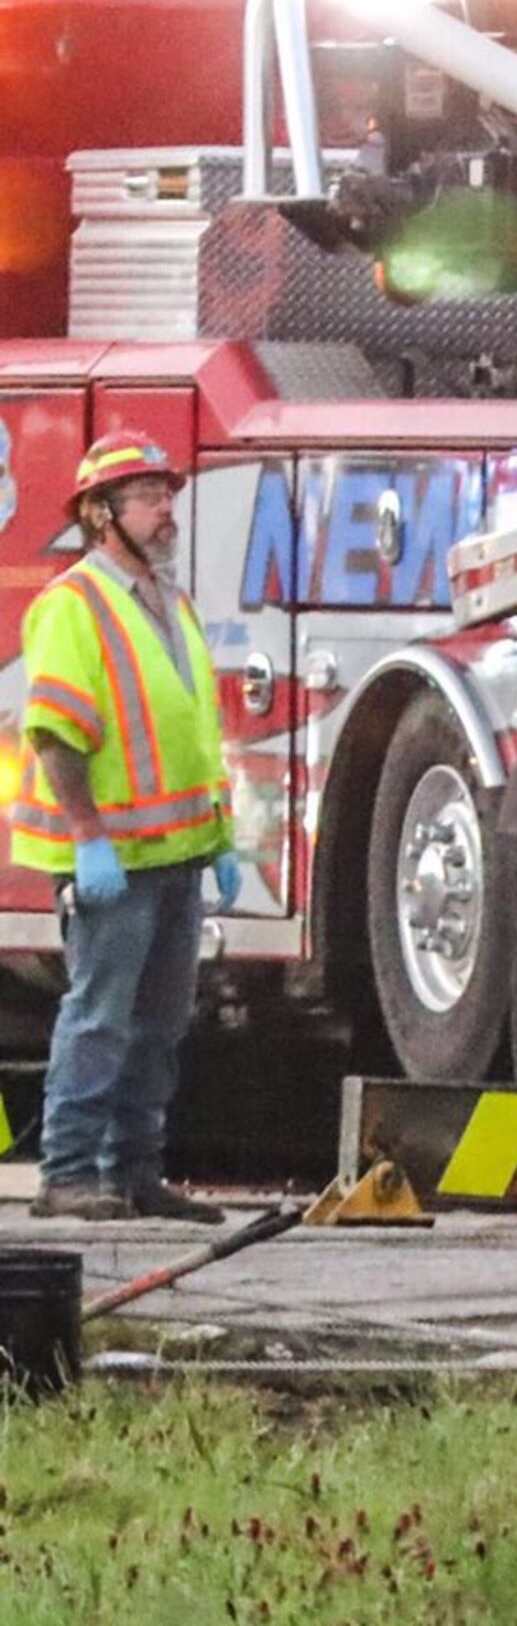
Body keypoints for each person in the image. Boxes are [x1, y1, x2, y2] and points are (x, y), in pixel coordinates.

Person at [15, 435, 240, 1223]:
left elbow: (191, 730)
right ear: (98, 514)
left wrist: (218, 839)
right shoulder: (73, 605)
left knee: (161, 1022)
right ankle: (68, 1173)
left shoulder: (170, 603)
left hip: (175, 854)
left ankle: (134, 1173)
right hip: (115, 857)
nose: (165, 509)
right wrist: (88, 838)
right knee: (101, 1016)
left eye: (167, 494)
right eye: (146, 496)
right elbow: (54, 731)